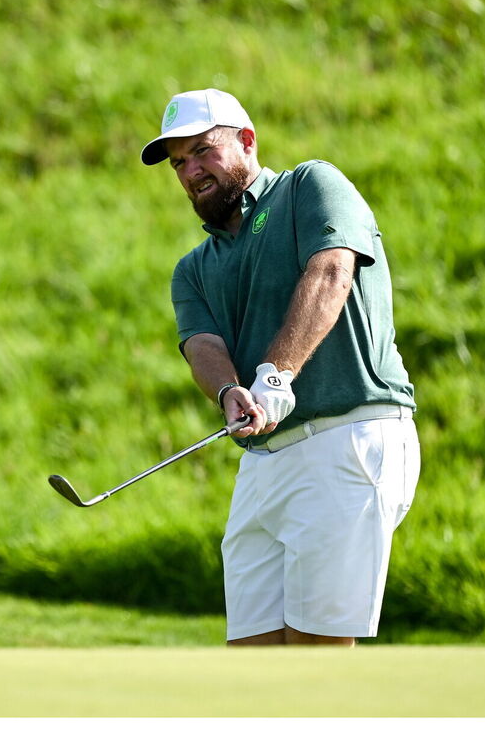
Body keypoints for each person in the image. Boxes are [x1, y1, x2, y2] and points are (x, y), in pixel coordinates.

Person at [140, 88, 419, 646]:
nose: (191, 171)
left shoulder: (309, 187)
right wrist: (228, 392)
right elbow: (202, 344)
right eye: (178, 164)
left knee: (314, 664)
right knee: (255, 663)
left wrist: (274, 375)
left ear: (246, 140)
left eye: (201, 151)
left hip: (343, 436)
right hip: (263, 464)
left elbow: (331, 272)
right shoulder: (192, 269)